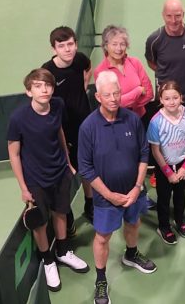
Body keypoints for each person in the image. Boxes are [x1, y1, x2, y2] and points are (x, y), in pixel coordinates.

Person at [7, 68, 89, 292]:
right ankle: (48, 261)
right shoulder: (18, 119)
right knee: (41, 224)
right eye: (37, 86)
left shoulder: (58, 105)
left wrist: (68, 162)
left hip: (60, 172)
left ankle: (63, 252)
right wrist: (23, 187)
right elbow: (13, 154)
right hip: (36, 179)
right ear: (28, 91)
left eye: (47, 85)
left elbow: (60, 132)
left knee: (61, 212)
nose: (44, 90)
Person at [78, 71, 156, 304]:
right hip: (106, 198)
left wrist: (137, 187)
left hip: (133, 191)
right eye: (107, 95)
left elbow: (144, 153)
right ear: (98, 97)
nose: (113, 98)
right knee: (103, 237)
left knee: (133, 223)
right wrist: (109, 195)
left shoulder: (132, 119)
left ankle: (131, 254)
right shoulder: (88, 127)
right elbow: (86, 168)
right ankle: (101, 279)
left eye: (116, 93)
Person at [42, 26, 94, 224]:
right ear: (54, 49)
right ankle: (68, 216)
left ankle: (90, 204)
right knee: (66, 173)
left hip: (85, 124)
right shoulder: (48, 71)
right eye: (61, 46)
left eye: (70, 44)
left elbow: (88, 67)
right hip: (62, 130)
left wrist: (82, 86)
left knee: (87, 167)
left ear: (76, 44)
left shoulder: (80, 59)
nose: (67, 49)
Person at [147, 81, 185, 244]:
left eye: (175, 97)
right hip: (164, 168)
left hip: (183, 165)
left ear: (181, 97)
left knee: (180, 196)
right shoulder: (155, 121)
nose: (172, 102)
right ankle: (163, 227)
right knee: (163, 198)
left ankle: (179, 220)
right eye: (167, 98)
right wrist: (168, 173)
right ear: (161, 100)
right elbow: (155, 150)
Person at [145, 0, 185, 113]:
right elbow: (152, 63)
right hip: (166, 101)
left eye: (178, 16)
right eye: (169, 16)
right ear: (163, 15)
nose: (173, 20)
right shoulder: (154, 40)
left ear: (183, 14)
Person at [94, 25, 153, 119]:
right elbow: (110, 102)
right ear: (106, 46)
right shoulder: (100, 71)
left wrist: (126, 104)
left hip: (140, 118)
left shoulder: (135, 63)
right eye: (114, 44)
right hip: (118, 120)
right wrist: (137, 91)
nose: (119, 48)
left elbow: (149, 93)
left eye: (122, 44)